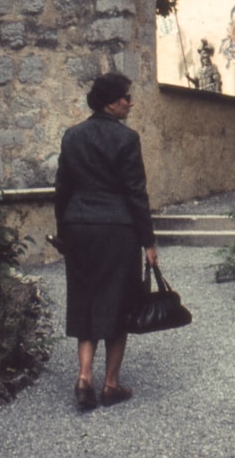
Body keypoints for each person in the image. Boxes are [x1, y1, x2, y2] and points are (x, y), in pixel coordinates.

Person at [54, 73, 158, 409]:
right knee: (120, 302)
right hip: (117, 229)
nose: (131, 102)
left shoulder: (72, 137)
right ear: (111, 102)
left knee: (85, 300)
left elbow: (62, 191)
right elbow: (135, 194)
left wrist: (64, 233)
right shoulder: (127, 139)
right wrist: (149, 242)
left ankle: (84, 378)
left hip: (79, 227)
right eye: (127, 97)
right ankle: (110, 385)